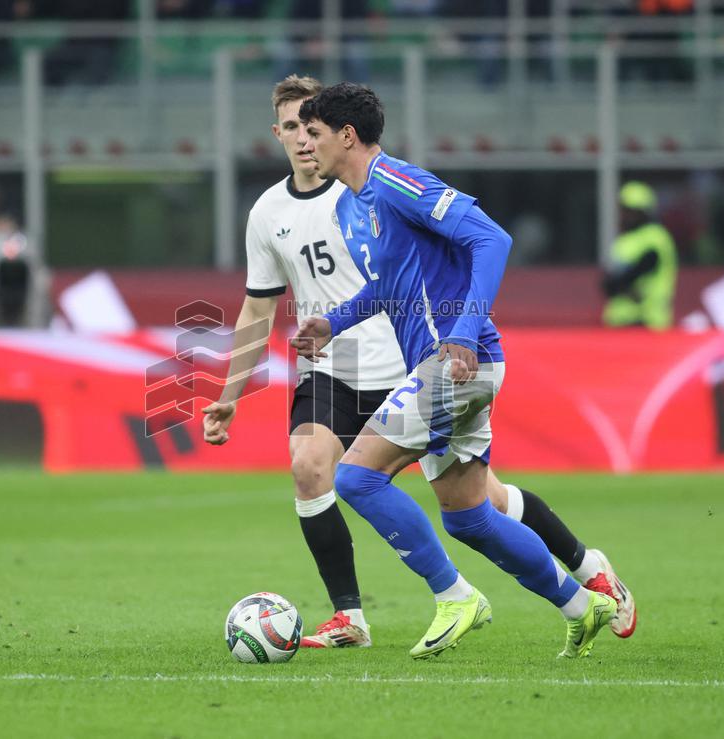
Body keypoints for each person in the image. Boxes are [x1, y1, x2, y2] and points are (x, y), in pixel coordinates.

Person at [202, 76, 635, 653]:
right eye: (297, 131)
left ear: (346, 135)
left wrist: (459, 333)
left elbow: (492, 240)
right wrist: (336, 322)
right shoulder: (358, 205)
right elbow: (387, 285)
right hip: (447, 364)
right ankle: (584, 606)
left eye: (316, 131)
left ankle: (456, 597)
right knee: (469, 516)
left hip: (453, 360)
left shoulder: (397, 181)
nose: (307, 143)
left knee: (355, 477)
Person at [602, 181, 678, 330]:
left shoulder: (656, 237)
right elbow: (608, 282)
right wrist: (615, 283)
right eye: (623, 210)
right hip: (620, 321)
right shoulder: (623, 240)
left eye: (631, 211)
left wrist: (617, 283)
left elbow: (639, 269)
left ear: (644, 212)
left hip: (647, 322)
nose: (625, 216)